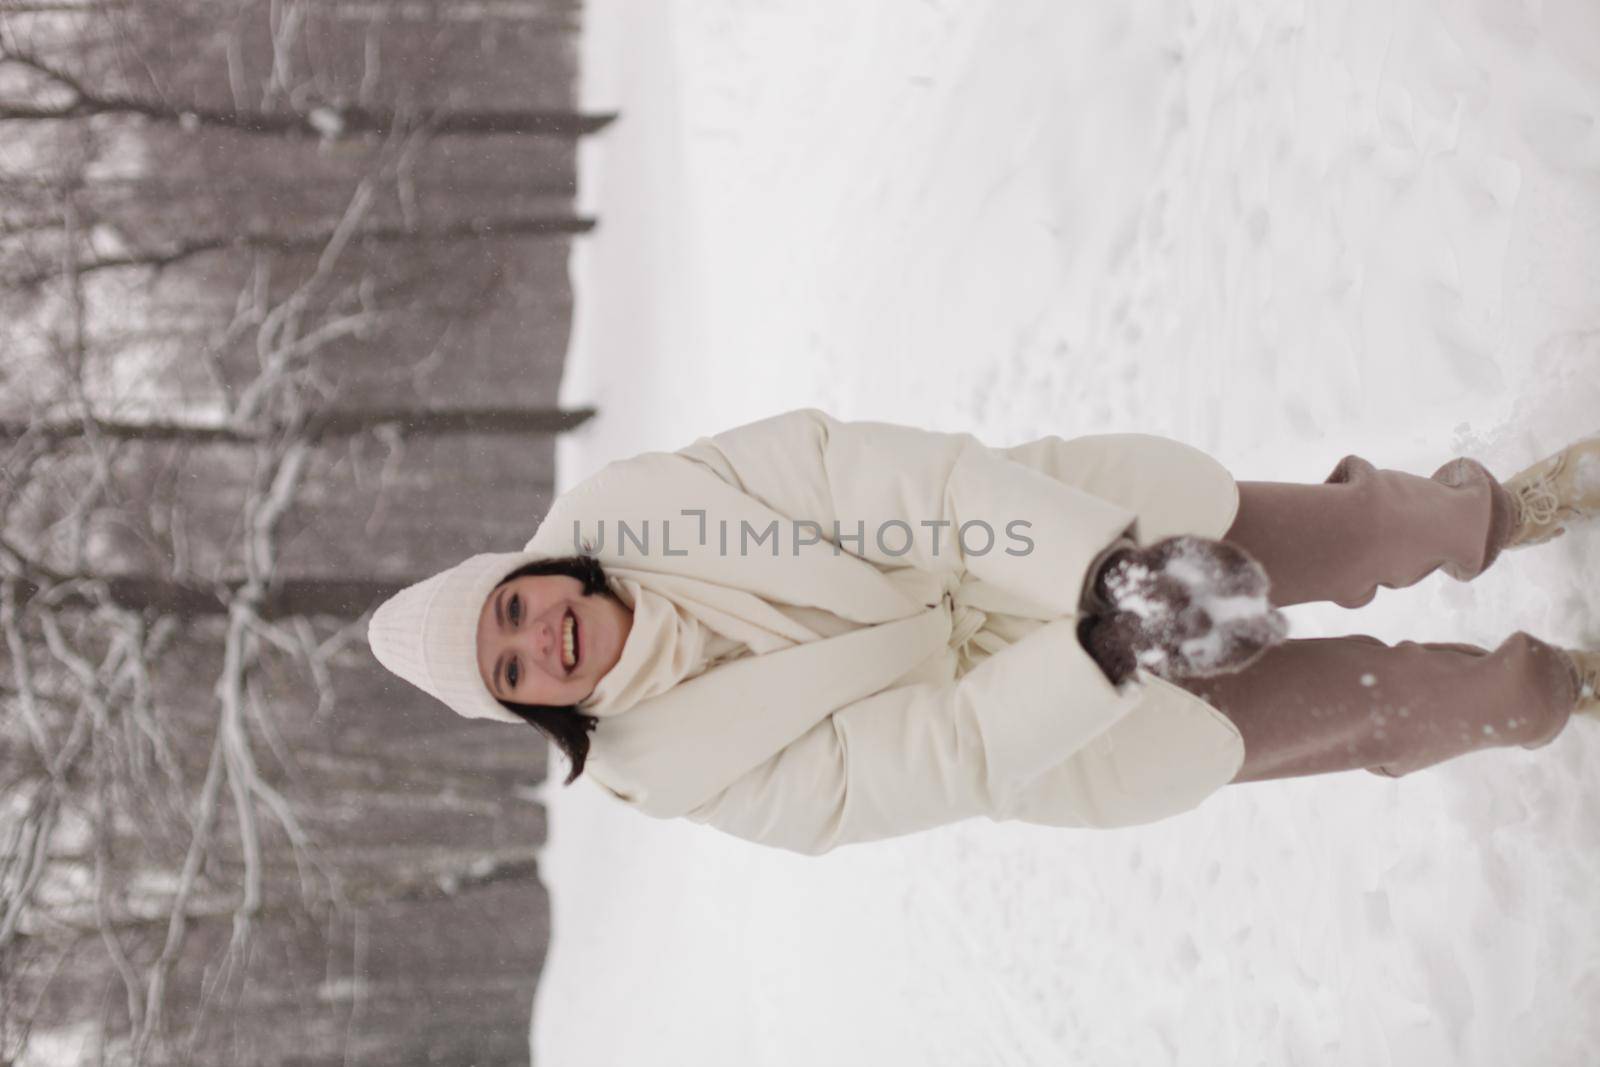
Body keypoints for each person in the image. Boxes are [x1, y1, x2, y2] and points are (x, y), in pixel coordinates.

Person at [367, 408, 1600, 856]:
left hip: (1055, 534)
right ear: (528, 703)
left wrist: (1107, 569)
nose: (542, 638)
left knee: (1344, 535)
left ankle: (1492, 512)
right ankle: (1554, 686)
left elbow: (914, 489)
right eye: (512, 668)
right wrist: (1104, 648)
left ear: (530, 570)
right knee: (1377, 711)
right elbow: (937, 753)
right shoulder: (684, 770)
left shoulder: (662, 503)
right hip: (1071, 726)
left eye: (513, 607)